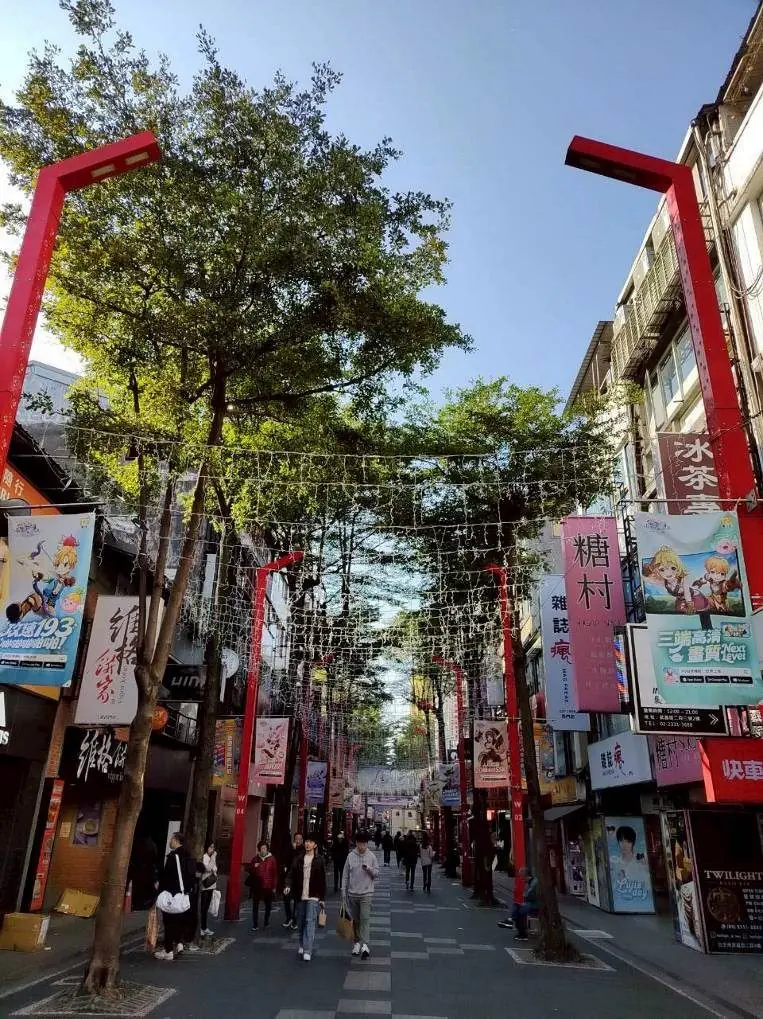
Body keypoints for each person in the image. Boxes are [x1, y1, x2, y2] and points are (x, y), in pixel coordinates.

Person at [285, 831, 326, 962]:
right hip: (300, 894)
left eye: (311, 842)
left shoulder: (319, 860)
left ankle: (308, 950)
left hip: (313, 896)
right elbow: (291, 874)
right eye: (307, 841)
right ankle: (302, 944)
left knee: (310, 921)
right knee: (301, 921)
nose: (308, 844)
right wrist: (288, 885)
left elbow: (322, 880)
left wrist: (322, 899)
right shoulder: (298, 859)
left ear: (315, 845)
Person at [155, 831, 194, 961]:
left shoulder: (173, 857)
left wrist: (159, 890)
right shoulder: (189, 856)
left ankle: (168, 951)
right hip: (183, 895)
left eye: (171, 839)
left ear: (176, 840)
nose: (170, 841)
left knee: (168, 923)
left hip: (172, 894)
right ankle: (179, 944)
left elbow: (167, 877)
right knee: (179, 921)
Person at [342, 830, 379, 960]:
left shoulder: (371, 856)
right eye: (359, 843)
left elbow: (376, 873)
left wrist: (368, 868)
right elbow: (345, 875)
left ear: (367, 843)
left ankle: (365, 945)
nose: (362, 846)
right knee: (356, 920)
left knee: (365, 918)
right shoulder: (350, 856)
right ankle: (356, 943)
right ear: (356, 843)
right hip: (353, 893)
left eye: (364, 844)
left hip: (366, 893)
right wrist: (343, 891)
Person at [498, 867, 538, 941]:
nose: (521, 878)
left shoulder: (534, 882)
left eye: (521, 876)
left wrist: (524, 896)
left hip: (536, 904)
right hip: (531, 902)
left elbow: (529, 895)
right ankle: (513, 922)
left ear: (524, 875)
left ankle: (516, 926)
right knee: (517, 906)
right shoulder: (530, 882)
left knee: (520, 910)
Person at [249, 840, 278, 931]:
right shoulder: (255, 859)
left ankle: (266, 921)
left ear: (267, 849)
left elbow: (274, 874)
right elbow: (250, 870)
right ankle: (255, 924)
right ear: (259, 849)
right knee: (255, 905)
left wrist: (274, 886)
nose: (263, 850)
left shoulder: (272, 859)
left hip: (268, 885)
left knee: (268, 905)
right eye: (261, 848)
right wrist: (254, 867)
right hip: (257, 885)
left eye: (265, 848)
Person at [282, 832, 304, 931]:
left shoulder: (304, 850)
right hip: (289, 879)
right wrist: (292, 850)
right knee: (286, 898)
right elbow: (286, 859)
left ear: (302, 840)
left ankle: (294, 920)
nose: (298, 841)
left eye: (299, 839)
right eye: (296, 839)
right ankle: (289, 917)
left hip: (299, 880)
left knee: (297, 902)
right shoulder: (290, 849)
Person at [200, 841, 218, 937]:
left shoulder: (210, 857)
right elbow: (208, 868)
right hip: (205, 886)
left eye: (213, 847)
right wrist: (213, 857)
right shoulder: (205, 857)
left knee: (206, 908)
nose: (212, 849)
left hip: (211, 885)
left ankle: (204, 927)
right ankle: (201, 928)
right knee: (203, 908)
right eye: (210, 847)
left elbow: (214, 868)